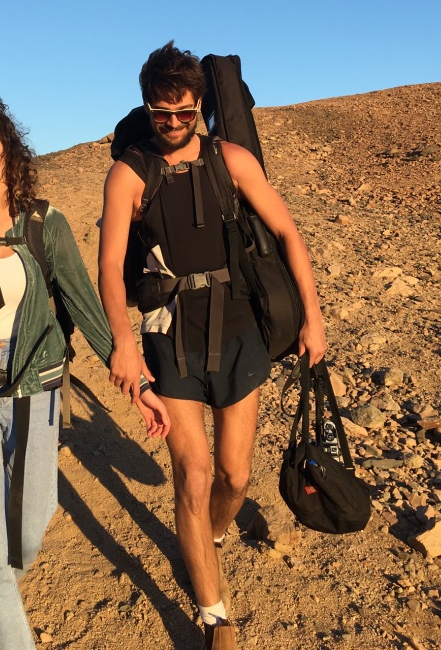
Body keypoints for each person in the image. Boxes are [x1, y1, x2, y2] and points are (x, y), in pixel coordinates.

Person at [0, 94, 170, 650]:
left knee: (30, 524)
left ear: (7, 145)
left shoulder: (45, 223)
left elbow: (85, 308)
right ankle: (2, 614)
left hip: (36, 385)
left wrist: (139, 384)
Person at [98, 43, 326, 650]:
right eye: (161, 113)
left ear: (200, 105)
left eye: (184, 112)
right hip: (170, 338)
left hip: (237, 329)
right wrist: (123, 342)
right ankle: (213, 615)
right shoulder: (129, 174)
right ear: (146, 105)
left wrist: (313, 316)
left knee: (234, 474)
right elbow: (108, 266)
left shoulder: (231, 160)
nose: (173, 123)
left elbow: (287, 231)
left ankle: (211, 535)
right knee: (194, 476)